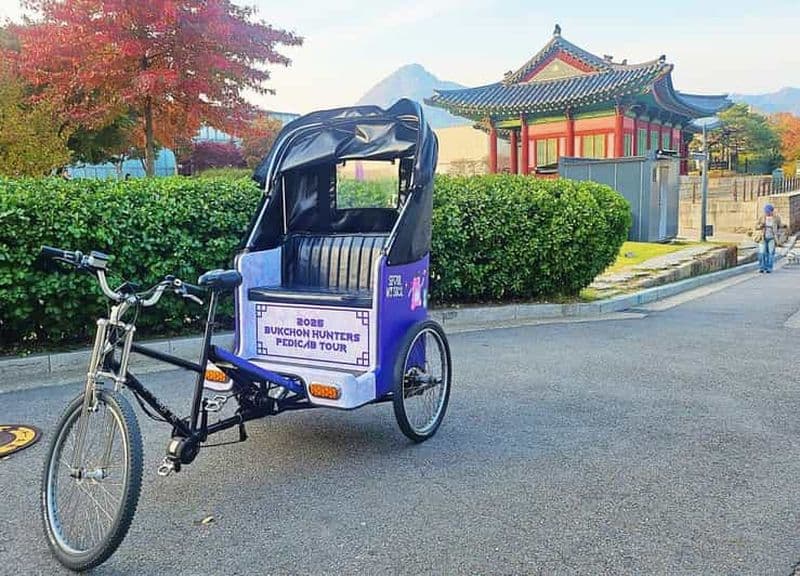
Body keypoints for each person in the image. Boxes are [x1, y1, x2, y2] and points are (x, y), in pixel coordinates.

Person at [753, 203, 781, 273]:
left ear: (772, 211)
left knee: (770, 253)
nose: (767, 213)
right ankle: (762, 267)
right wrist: (761, 225)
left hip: (772, 238)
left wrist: (779, 236)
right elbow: (756, 226)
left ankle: (769, 268)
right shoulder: (762, 217)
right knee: (762, 253)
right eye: (766, 212)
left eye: (769, 212)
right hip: (762, 238)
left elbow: (779, 227)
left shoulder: (776, 218)